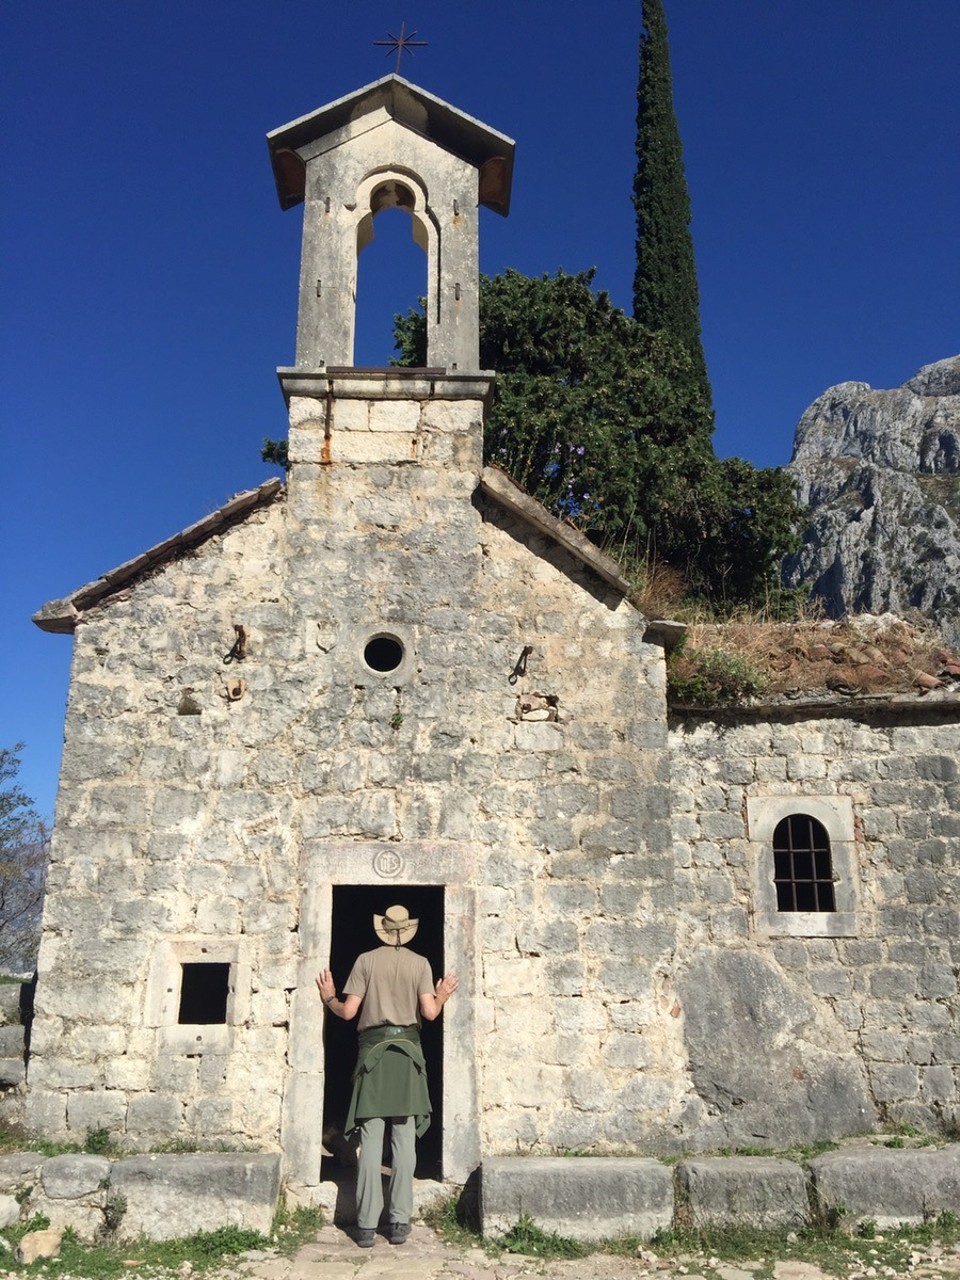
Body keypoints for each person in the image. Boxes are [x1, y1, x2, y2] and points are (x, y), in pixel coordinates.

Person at [316, 904, 458, 1248]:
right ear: (408, 930)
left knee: (371, 1140)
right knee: (405, 1140)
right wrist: (443, 993)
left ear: (382, 929)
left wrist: (329, 997)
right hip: (408, 1057)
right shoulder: (420, 963)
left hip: (374, 1058)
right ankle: (398, 1224)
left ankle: (365, 1228)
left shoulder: (365, 960)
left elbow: (348, 1012)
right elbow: (429, 1012)